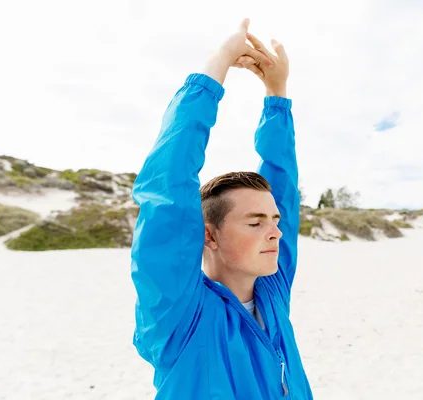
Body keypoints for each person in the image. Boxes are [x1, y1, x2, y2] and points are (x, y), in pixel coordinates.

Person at [130, 19, 313, 399]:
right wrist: (216, 66)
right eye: (255, 222)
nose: (275, 232)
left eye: (273, 220)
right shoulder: (179, 314)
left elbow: (284, 190)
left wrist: (276, 92)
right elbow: (168, 187)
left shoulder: (272, 291)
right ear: (208, 235)